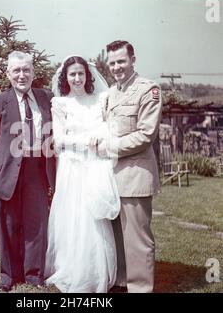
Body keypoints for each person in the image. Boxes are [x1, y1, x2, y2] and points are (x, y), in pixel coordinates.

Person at [0, 51, 56, 292]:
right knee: (8, 224)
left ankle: (34, 275)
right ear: (8, 74)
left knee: (37, 223)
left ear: (33, 73)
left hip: (37, 170)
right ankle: (8, 277)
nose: (22, 75)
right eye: (17, 70)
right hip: (5, 172)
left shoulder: (47, 99)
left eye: (26, 70)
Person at [44, 55, 120, 293]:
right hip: (72, 166)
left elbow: (111, 127)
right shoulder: (60, 103)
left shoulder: (101, 99)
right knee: (74, 218)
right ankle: (74, 269)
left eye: (80, 73)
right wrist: (88, 140)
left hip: (96, 165)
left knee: (94, 218)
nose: (77, 78)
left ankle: (96, 271)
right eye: (72, 74)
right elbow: (59, 139)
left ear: (88, 75)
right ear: (65, 78)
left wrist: (103, 135)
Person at [95, 40, 162, 293]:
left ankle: (141, 288)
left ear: (133, 60)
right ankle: (121, 283)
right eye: (112, 63)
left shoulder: (148, 90)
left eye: (121, 61)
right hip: (109, 177)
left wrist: (110, 146)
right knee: (117, 238)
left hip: (135, 176)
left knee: (137, 240)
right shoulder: (110, 93)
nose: (116, 67)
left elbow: (146, 135)